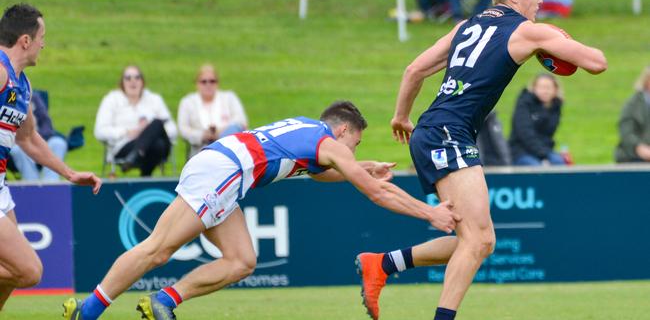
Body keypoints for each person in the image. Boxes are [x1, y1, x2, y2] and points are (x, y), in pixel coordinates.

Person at [357, 0, 607, 320]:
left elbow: (414, 70)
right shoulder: (526, 32)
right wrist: (558, 41)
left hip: (435, 129)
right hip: (448, 133)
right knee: (476, 241)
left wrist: (400, 117)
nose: (540, 0)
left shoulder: (465, 26)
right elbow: (597, 63)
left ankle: (381, 264)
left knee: (480, 240)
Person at [62, 101, 460, 320]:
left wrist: (363, 166)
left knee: (242, 261)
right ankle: (89, 311)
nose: (349, 153)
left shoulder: (308, 131)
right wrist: (430, 214)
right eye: (353, 145)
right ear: (342, 131)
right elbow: (375, 194)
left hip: (225, 172)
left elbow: (320, 173)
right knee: (158, 249)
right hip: (222, 172)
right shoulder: (328, 142)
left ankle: (164, 301)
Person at [0, 3, 101, 310]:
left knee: (11, 276)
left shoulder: (23, 85)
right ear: (26, 40)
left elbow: (29, 138)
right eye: (42, 35)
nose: (44, 43)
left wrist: (69, 173)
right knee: (29, 270)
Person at [94, 65, 177, 176]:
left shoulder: (154, 99)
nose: (133, 81)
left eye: (137, 77)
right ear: (122, 82)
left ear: (142, 81)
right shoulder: (111, 99)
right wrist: (128, 132)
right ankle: (145, 174)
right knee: (158, 143)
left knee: (157, 124)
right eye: (128, 78)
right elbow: (100, 131)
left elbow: (173, 130)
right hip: (124, 146)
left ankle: (137, 154)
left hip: (154, 148)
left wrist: (147, 131)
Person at [177, 63, 248, 158]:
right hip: (200, 149)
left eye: (212, 81)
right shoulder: (188, 102)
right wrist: (203, 135)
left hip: (230, 147)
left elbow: (241, 120)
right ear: (197, 83)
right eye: (204, 82)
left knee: (234, 129)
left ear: (217, 83)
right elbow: (183, 129)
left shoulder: (229, 98)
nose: (208, 85)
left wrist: (220, 131)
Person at [9, 90, 68, 181]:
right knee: (18, 149)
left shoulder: (32, 97)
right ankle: (32, 185)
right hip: (14, 140)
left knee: (58, 143)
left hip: (38, 137)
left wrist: (37, 139)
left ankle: (51, 183)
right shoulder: (8, 97)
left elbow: (46, 123)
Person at [509, 73, 565, 166]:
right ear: (534, 88)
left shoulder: (555, 107)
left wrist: (546, 154)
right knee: (536, 167)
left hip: (545, 149)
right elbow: (525, 133)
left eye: (548, 87)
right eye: (541, 87)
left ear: (555, 90)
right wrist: (543, 156)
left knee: (559, 162)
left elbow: (548, 135)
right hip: (521, 151)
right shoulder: (525, 104)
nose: (545, 91)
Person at [615, 66, 650, 162]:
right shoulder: (633, 104)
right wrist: (639, 148)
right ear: (647, 81)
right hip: (635, 159)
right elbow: (627, 133)